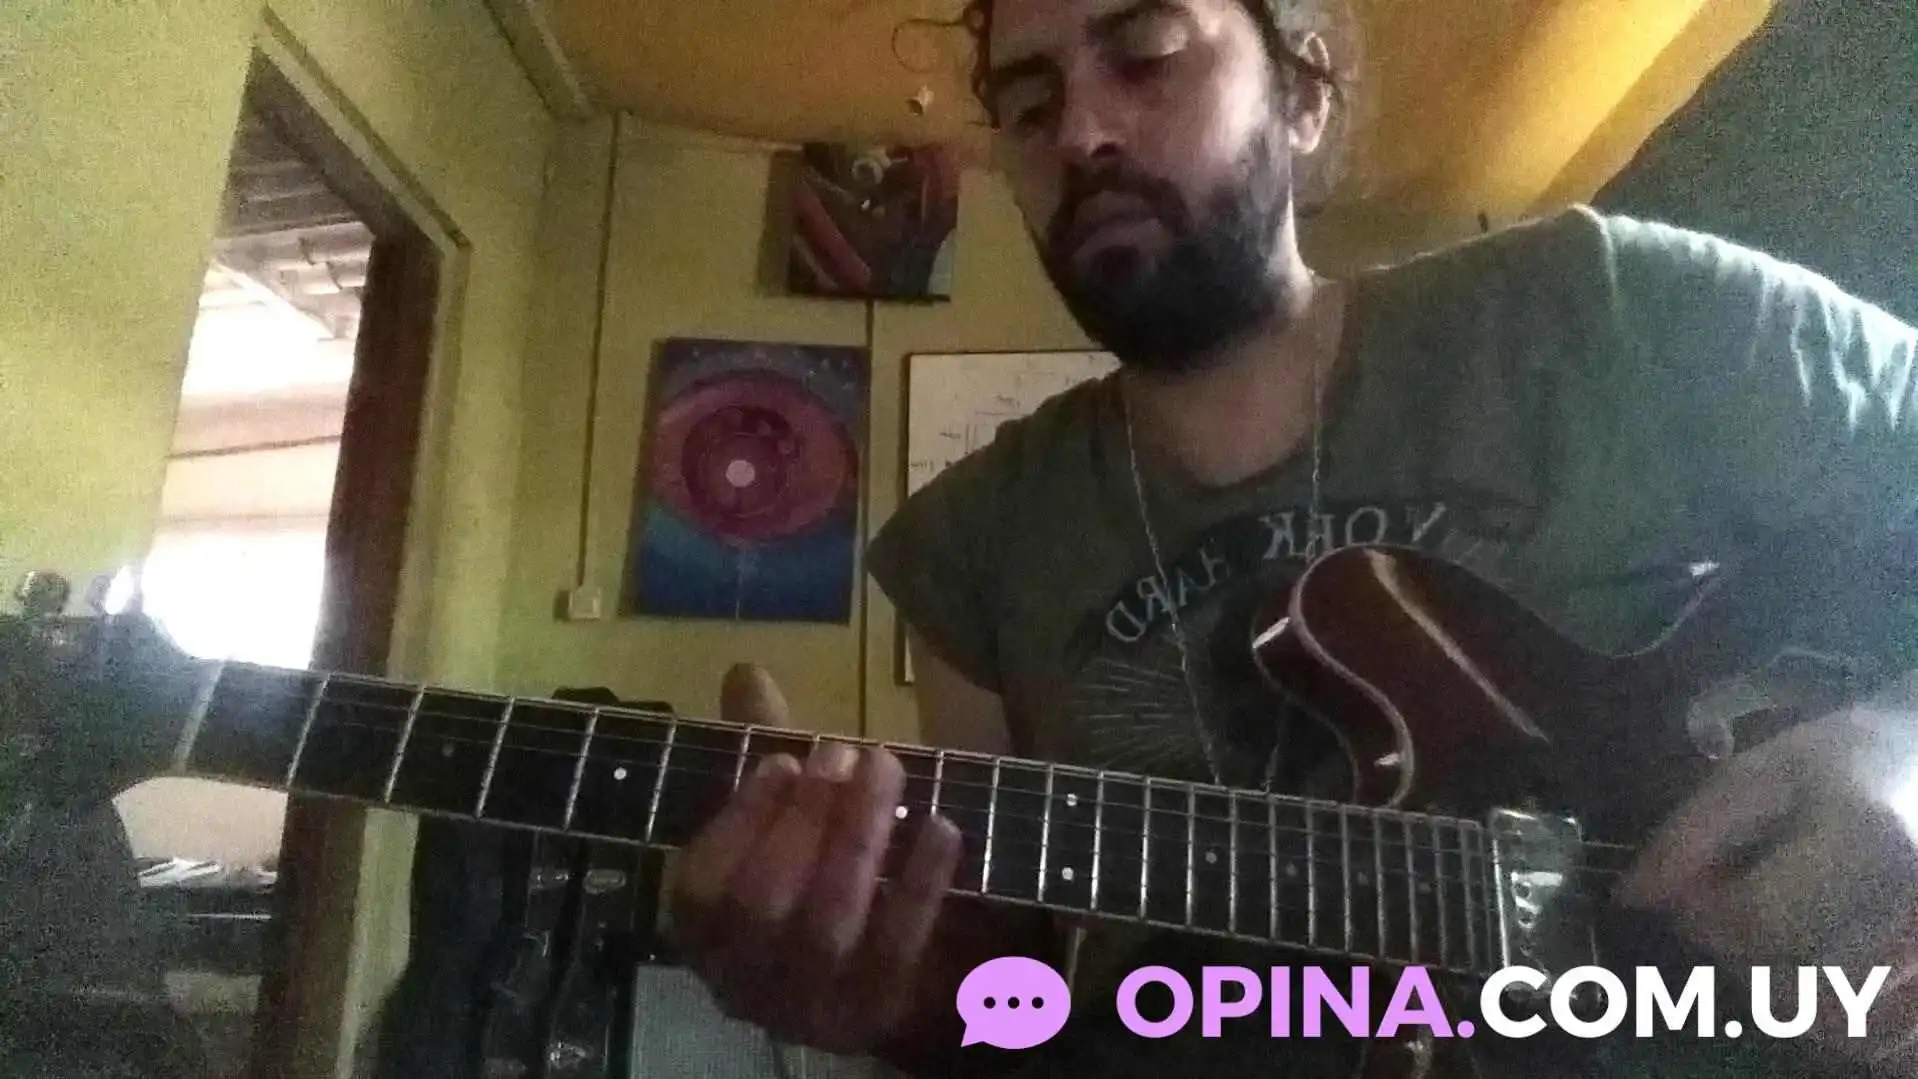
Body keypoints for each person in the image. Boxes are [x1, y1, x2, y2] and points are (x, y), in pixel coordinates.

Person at [668, 0, 1918, 1075]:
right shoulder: (970, 540)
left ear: (1303, 93)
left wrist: (1896, 741)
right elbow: (1022, 1006)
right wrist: (894, 1006)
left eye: (1145, 57)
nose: (1081, 134)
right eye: (1028, 105)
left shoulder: (1598, 304)